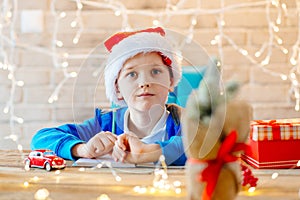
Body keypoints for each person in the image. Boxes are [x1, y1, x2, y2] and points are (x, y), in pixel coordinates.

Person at [31, 27, 186, 166]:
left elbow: (202, 146)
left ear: (171, 81)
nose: (144, 82)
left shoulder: (184, 121)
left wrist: (148, 152)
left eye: (155, 72)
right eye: (132, 74)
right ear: (117, 88)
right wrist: (83, 149)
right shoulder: (104, 123)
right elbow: (41, 139)